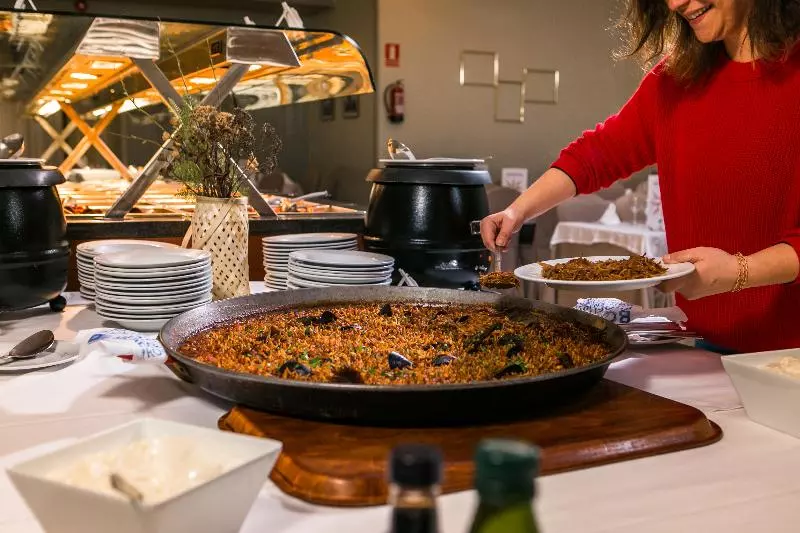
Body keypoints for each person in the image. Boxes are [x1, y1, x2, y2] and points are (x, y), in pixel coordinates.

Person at [480, 0, 800, 354]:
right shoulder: (675, 81)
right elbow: (598, 153)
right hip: (700, 348)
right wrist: (518, 211)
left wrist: (741, 272)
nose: (676, 3)